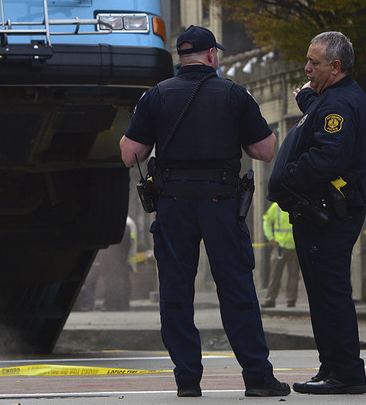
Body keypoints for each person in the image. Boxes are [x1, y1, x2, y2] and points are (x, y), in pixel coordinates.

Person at [120, 25, 290, 398]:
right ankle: (258, 377)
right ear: (212, 55)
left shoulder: (156, 96)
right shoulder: (234, 95)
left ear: (181, 57)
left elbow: (131, 153)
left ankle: (187, 379)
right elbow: (264, 150)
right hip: (222, 204)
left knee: (176, 291)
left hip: (174, 205)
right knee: (236, 289)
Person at [266, 31, 366, 395]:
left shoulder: (339, 104)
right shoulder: (331, 100)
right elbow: (323, 121)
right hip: (326, 213)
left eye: (314, 62)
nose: (307, 68)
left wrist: (289, 175)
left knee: (330, 291)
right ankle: (332, 367)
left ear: (336, 66)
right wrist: (311, 100)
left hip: (332, 213)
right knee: (323, 291)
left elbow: (330, 155)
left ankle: (346, 373)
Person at [261, 202, 299, 308]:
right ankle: (271, 299)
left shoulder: (295, 204)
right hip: (280, 246)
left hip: (294, 246)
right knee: (276, 274)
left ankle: (291, 300)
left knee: (293, 275)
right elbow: (267, 221)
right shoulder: (276, 207)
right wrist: (270, 238)